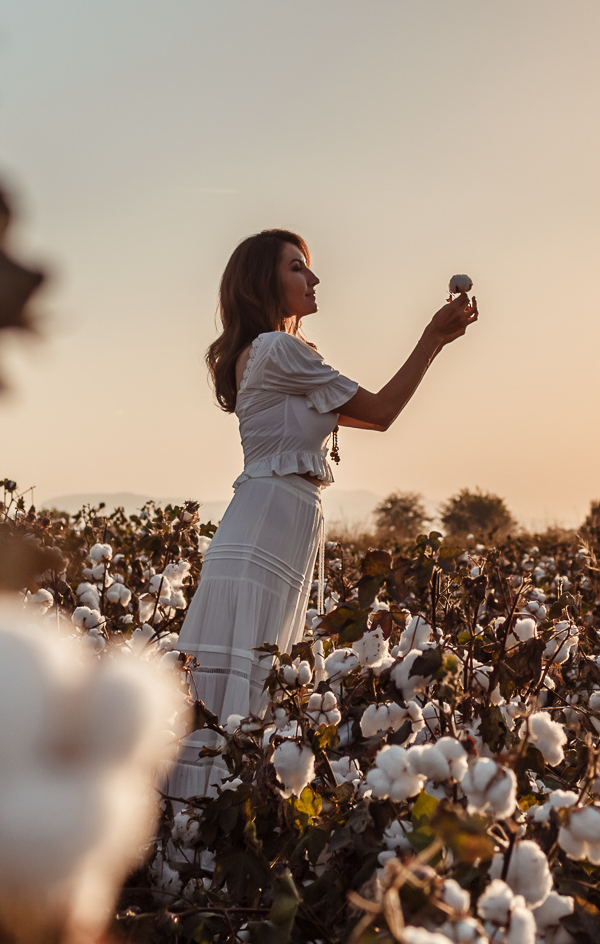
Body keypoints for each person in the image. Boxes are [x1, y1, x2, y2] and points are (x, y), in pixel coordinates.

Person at [167, 228, 478, 799]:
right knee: (252, 677)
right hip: (266, 526)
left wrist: (437, 339)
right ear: (264, 281)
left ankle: (206, 825)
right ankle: (213, 826)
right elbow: (382, 411)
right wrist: (432, 336)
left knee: (249, 682)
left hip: (271, 521)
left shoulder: (278, 354)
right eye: (297, 269)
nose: (313, 279)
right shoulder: (278, 349)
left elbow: (373, 415)